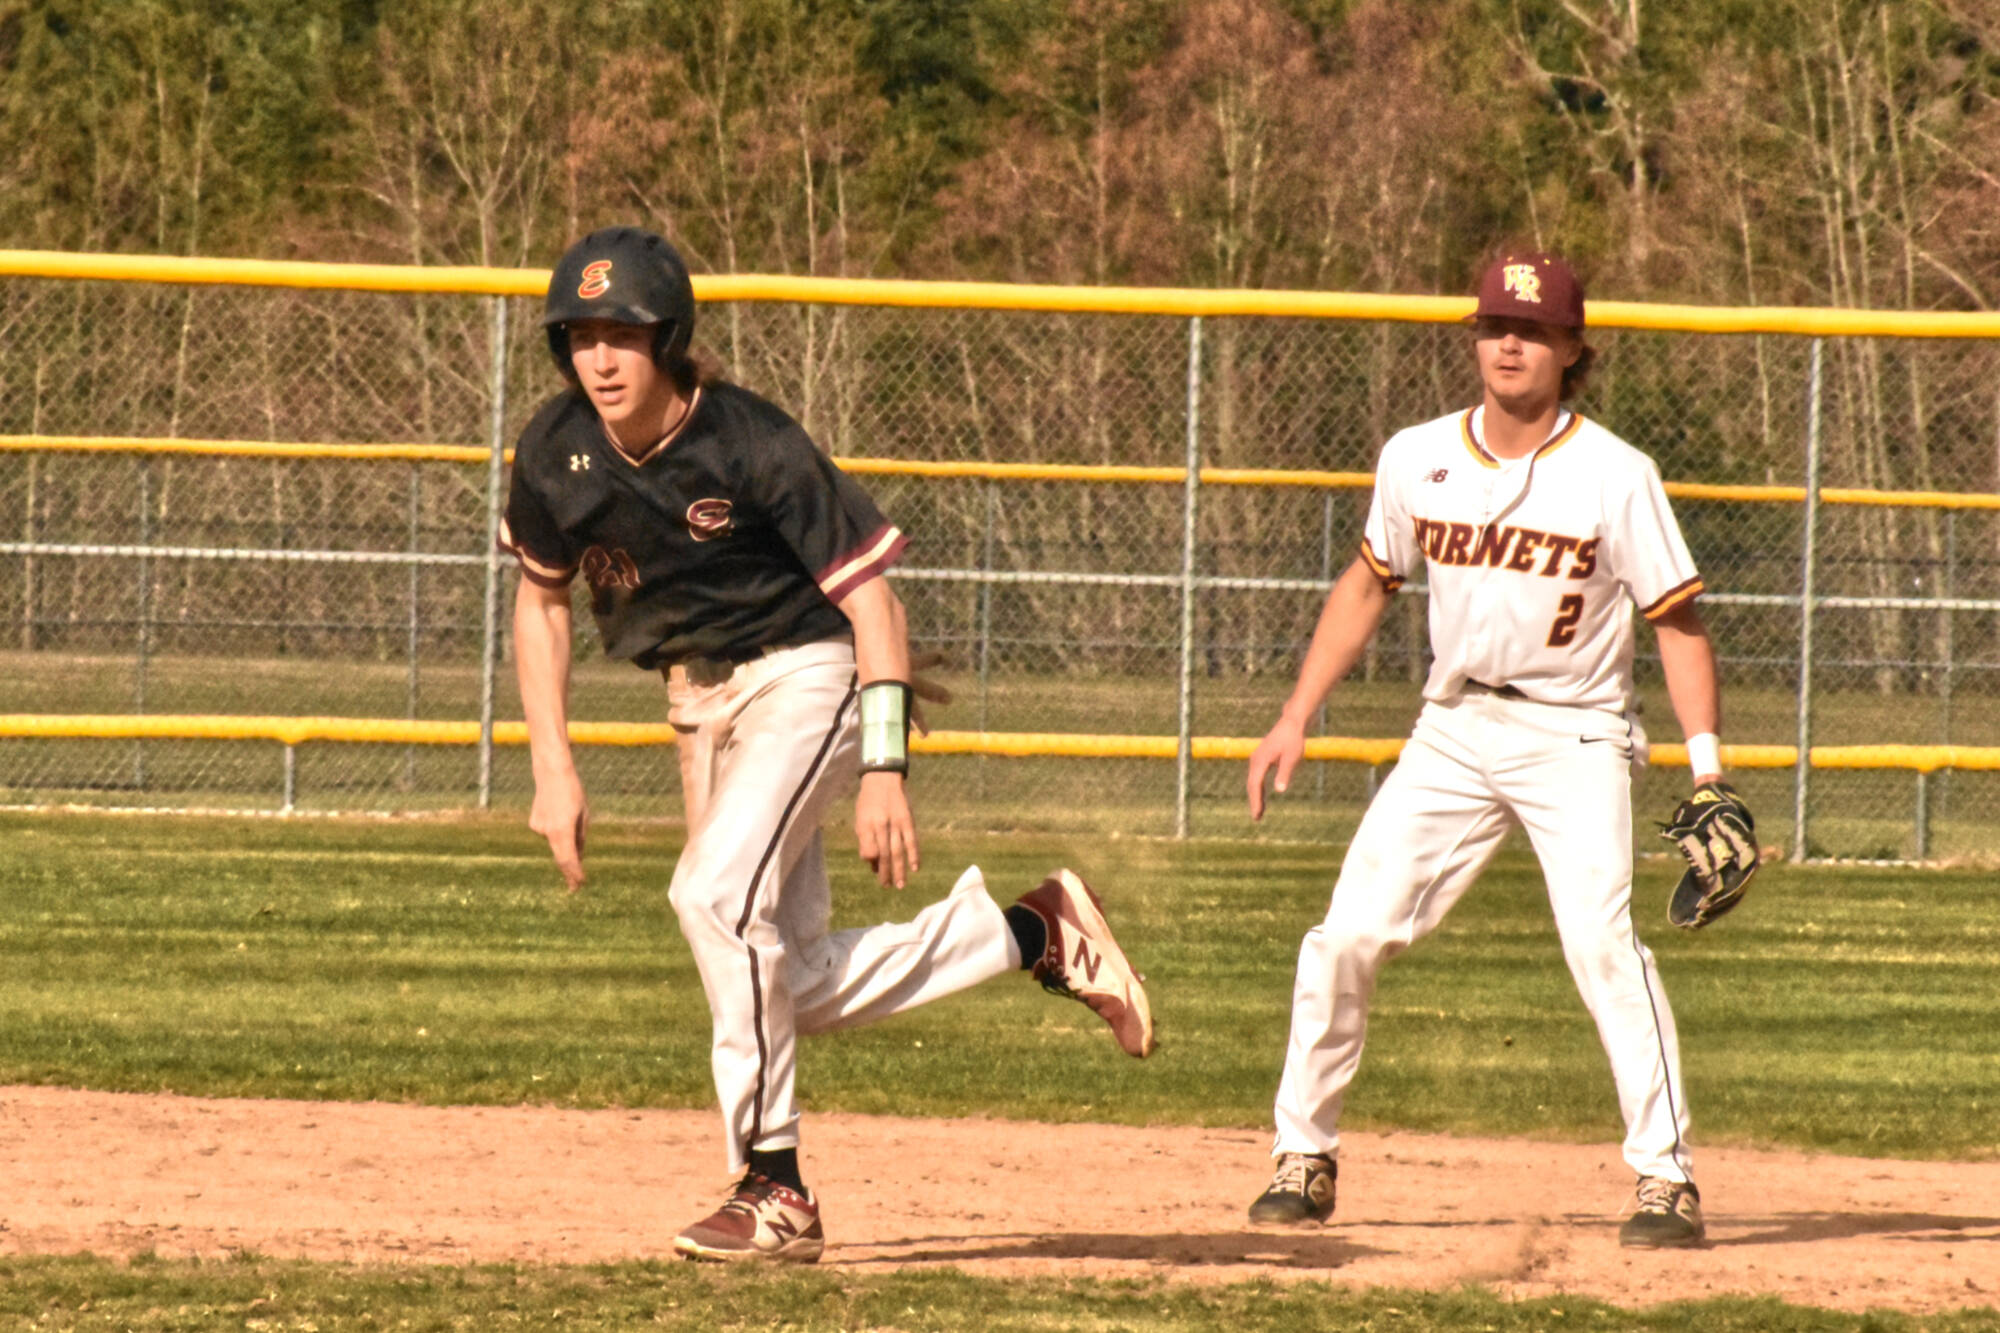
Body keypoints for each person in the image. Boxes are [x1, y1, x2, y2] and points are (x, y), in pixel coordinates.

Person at [501, 227, 1154, 1264]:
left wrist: (885, 766)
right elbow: (538, 605)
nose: (601, 357)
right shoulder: (553, 450)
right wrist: (551, 766)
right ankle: (1029, 933)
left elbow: (876, 608)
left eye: (623, 331)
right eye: (580, 335)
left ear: (668, 336)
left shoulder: (751, 441)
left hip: (811, 673)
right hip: (699, 700)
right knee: (777, 980)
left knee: (710, 899)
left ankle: (775, 1187)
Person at [1243, 251, 1736, 1249]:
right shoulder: (1414, 455)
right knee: (1343, 934)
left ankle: (1663, 1177)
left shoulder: (1615, 474)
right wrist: (1294, 712)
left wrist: (1707, 767)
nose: (1507, 342)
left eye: (1531, 329)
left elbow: (1677, 622)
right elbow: (1368, 583)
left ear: (1568, 350)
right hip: (1452, 728)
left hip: (1576, 732)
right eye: (1492, 326)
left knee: (1602, 944)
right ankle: (1303, 1154)